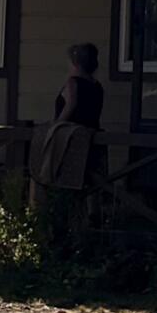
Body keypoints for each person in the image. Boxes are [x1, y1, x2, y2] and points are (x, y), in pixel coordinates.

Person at [33, 42, 104, 252]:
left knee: (55, 178)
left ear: (74, 62)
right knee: (87, 186)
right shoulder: (97, 85)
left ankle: (56, 232)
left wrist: (57, 125)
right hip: (91, 137)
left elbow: (71, 105)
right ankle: (85, 226)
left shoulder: (73, 82)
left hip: (72, 139)